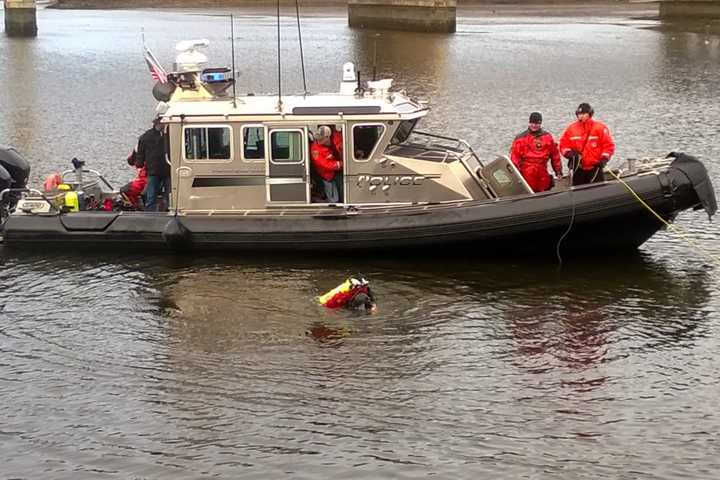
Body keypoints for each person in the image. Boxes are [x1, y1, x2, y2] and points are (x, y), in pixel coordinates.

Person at [559, 102, 615, 186]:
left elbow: (608, 145)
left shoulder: (600, 128)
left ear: (589, 114)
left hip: (595, 167)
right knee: (578, 192)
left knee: (599, 190)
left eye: (583, 113)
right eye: (579, 114)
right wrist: (568, 154)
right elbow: (563, 144)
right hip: (579, 168)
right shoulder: (571, 129)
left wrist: (604, 159)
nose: (581, 116)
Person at [509, 112, 561, 192]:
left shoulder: (547, 137)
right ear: (529, 123)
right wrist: (515, 175)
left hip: (542, 170)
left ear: (540, 124)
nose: (534, 125)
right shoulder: (521, 138)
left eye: (537, 123)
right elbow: (515, 159)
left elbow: (555, 155)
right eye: (532, 123)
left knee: (544, 191)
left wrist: (558, 171)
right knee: (529, 192)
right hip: (527, 171)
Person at [136, 116, 170, 211]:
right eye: (160, 122)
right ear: (156, 123)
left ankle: (169, 211)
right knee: (151, 196)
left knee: (170, 194)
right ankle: (150, 214)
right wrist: (139, 163)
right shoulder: (146, 136)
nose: (162, 124)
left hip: (168, 170)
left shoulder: (170, 134)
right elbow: (140, 152)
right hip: (153, 170)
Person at [311, 125, 343, 203]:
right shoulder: (316, 150)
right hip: (327, 175)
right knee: (334, 200)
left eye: (321, 139)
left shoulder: (336, 137)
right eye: (318, 138)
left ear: (327, 137)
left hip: (337, 171)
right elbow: (325, 164)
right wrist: (340, 164)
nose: (319, 140)